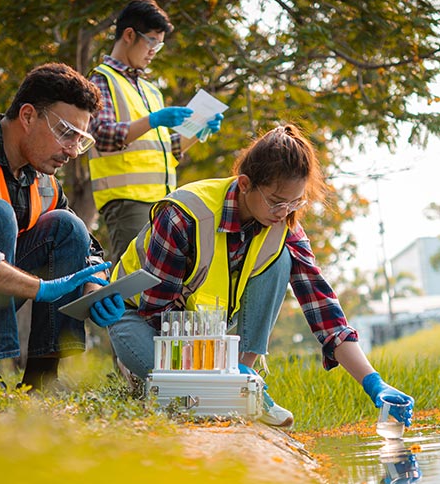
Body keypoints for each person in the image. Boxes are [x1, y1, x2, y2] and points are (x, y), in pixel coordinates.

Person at [102, 123, 414, 428]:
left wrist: (374, 382)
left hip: (206, 334)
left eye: (295, 202)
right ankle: (210, 384)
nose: (284, 212)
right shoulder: (185, 215)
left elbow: (322, 307)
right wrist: (222, 372)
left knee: (281, 260)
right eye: (277, 201)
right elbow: (158, 313)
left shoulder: (285, 226)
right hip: (140, 320)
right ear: (245, 184)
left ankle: (243, 378)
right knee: (197, 404)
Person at [0, 63, 125, 393]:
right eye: (66, 133)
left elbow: (90, 248)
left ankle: (43, 382)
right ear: (27, 116)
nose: (71, 151)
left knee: (67, 226)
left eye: (79, 140)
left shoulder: (43, 181)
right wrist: (40, 288)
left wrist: (95, 287)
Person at [88, 0, 223, 265]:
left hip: (163, 202)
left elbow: (167, 150)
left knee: (162, 278)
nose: (153, 51)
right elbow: (102, 135)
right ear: (129, 35)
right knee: (131, 278)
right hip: (127, 203)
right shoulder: (101, 79)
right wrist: (154, 119)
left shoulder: (150, 89)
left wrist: (198, 130)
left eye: (158, 45)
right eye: (151, 41)